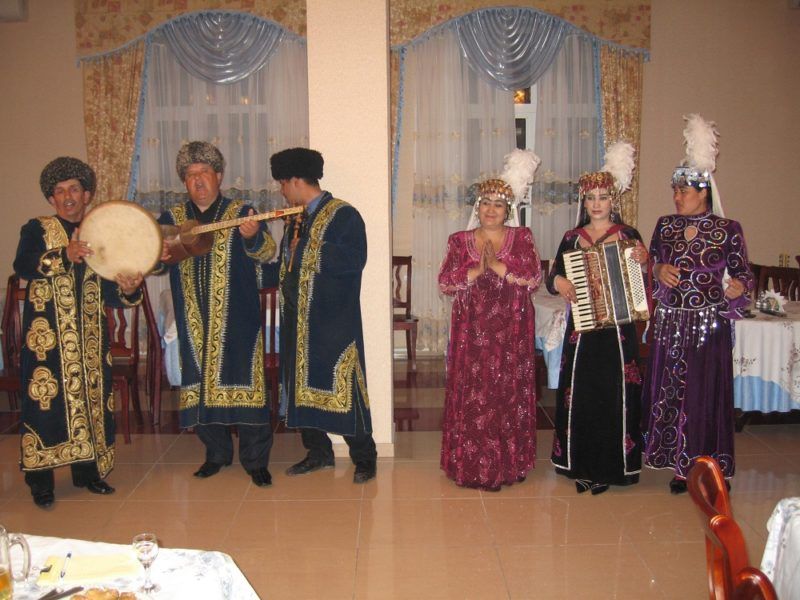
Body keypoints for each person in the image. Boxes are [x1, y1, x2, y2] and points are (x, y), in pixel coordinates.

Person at [14, 157, 143, 508]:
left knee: (91, 402)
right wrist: (64, 255)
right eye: (59, 191)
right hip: (47, 342)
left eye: (74, 189)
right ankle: (41, 482)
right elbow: (23, 264)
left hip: (89, 340)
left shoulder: (100, 234)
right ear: (51, 198)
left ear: (86, 194)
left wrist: (130, 287)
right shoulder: (36, 228)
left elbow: (114, 292)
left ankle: (88, 474)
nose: (67, 196)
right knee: (46, 406)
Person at [642, 115, 753, 493]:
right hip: (672, 323)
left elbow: (743, 275)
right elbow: (650, 262)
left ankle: (708, 465)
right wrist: (657, 269)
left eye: (684, 192)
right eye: (675, 191)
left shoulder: (728, 229)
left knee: (704, 394)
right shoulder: (665, 225)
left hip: (709, 325)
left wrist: (738, 287)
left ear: (703, 192)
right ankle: (677, 465)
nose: (677, 197)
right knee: (672, 390)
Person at [157, 141, 276, 487]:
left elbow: (266, 252)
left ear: (219, 175)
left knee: (245, 383)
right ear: (184, 182)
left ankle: (255, 460)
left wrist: (253, 237)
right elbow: (154, 261)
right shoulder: (172, 219)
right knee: (201, 384)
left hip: (238, 319)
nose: (198, 180)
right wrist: (159, 256)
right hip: (193, 320)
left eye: (204, 173)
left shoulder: (242, 211)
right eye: (190, 175)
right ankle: (216, 454)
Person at [266, 147, 377, 484]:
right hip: (297, 323)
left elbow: (352, 261)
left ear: (295, 181)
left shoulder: (344, 215)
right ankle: (318, 453)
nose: (282, 191)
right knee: (299, 389)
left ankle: (365, 458)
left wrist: (308, 247)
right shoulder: (296, 219)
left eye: (282, 184)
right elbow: (288, 268)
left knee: (343, 389)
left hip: (333, 322)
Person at [437, 149, 542, 491]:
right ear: (477, 207)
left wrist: (499, 268)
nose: (491, 210)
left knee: (507, 390)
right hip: (472, 329)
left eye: (498, 204)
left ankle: (510, 463)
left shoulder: (522, 237)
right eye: (486, 203)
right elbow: (445, 281)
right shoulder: (459, 240)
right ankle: (469, 465)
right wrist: (476, 269)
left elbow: (534, 276)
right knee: (474, 392)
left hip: (511, 328)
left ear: (507, 209)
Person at [547, 142, 648, 495]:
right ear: (583, 202)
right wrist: (558, 280)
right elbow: (553, 274)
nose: (597, 204)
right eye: (590, 198)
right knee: (582, 395)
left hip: (618, 333)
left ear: (612, 200)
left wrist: (642, 260)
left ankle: (611, 467)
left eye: (603, 197)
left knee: (615, 395)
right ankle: (581, 465)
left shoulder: (628, 235)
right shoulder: (572, 238)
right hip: (583, 329)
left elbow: (640, 286)